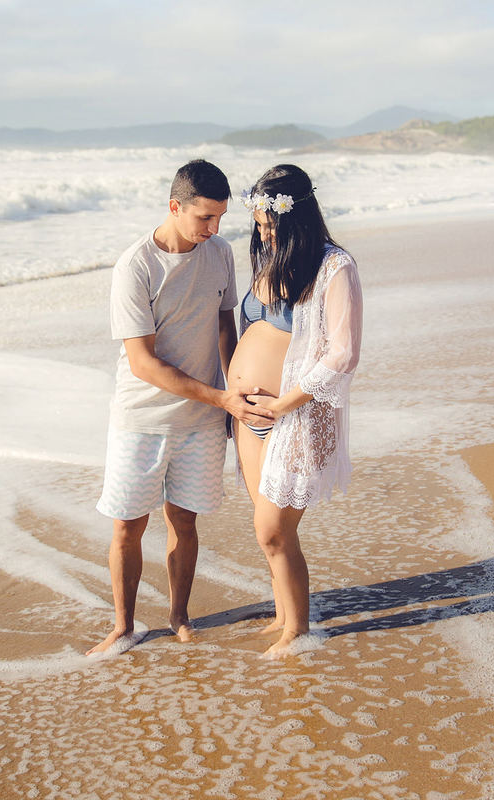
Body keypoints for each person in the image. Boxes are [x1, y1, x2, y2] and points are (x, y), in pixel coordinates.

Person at [87, 159, 275, 656]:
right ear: (175, 207)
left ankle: (179, 616)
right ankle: (123, 627)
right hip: (142, 419)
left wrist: (233, 390)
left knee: (185, 521)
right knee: (128, 524)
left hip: (202, 420)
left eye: (220, 219)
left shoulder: (219, 253)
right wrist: (222, 397)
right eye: (204, 219)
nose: (213, 230)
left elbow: (223, 327)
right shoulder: (136, 266)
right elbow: (143, 364)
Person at [228, 164, 363, 658]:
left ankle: (298, 631)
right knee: (267, 529)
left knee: (273, 530)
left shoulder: (333, 266)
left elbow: (342, 353)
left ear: (296, 216)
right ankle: (285, 615)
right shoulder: (269, 259)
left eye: (270, 222)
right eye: (259, 223)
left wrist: (284, 403)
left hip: (296, 417)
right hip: (249, 419)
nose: (262, 231)